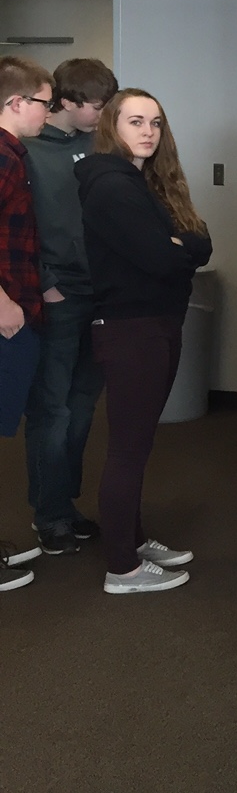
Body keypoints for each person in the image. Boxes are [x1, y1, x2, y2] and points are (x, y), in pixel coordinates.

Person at [76, 89, 213, 593]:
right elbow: (162, 258)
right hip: (131, 327)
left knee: (138, 444)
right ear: (112, 125)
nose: (148, 132)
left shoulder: (144, 182)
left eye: (155, 122)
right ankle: (122, 568)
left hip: (155, 322)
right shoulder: (111, 185)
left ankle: (129, 539)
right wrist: (180, 249)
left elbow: (200, 241)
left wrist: (183, 247)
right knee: (128, 450)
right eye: (135, 121)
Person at [23, 58, 116, 555]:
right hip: (59, 296)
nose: (104, 117)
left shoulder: (101, 145)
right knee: (52, 410)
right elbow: (19, 227)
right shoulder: (28, 151)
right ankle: (49, 514)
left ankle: (66, 503)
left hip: (102, 293)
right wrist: (47, 283)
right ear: (68, 102)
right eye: (97, 108)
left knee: (82, 407)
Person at [0, 56, 53, 592]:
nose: (49, 110)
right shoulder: (2, 153)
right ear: (17, 103)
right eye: (43, 100)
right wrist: (5, 305)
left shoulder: (15, 153)